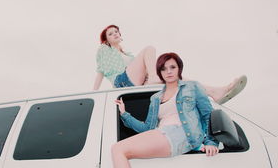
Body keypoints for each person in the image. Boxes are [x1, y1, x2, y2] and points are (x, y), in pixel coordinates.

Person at [106, 52, 219, 168]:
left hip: (182, 134)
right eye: (164, 68)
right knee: (119, 150)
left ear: (179, 68)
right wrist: (125, 114)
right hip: (163, 133)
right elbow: (147, 129)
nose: (169, 71)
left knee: (118, 149)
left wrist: (210, 140)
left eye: (172, 67)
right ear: (159, 72)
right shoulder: (155, 98)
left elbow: (208, 115)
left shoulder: (192, 87)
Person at [93, 25, 247, 105]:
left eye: (117, 31)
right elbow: (100, 71)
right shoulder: (104, 50)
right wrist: (94, 94)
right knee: (149, 49)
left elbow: (138, 70)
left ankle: (214, 92)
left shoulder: (129, 54)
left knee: (174, 76)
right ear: (106, 40)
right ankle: (154, 77)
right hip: (122, 82)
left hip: (137, 81)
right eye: (111, 33)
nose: (115, 34)